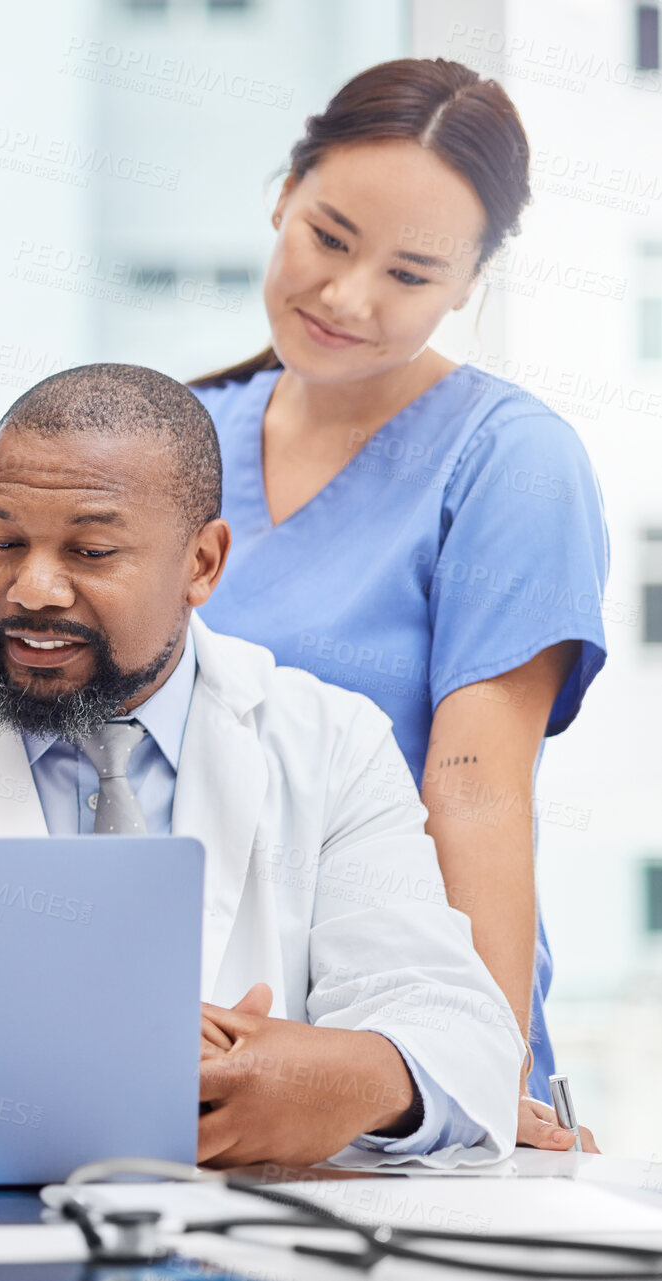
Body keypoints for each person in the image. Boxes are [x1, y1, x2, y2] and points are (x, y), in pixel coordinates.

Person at [0, 364, 530, 1168]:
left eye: (89, 550)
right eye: (1, 542)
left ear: (202, 563)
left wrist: (344, 1078)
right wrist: (92, 1044)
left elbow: (453, 1025)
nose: (33, 588)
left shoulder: (329, 741)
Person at [188, 59, 608, 1149]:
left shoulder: (507, 462)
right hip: (200, 1036)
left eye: (411, 274)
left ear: (468, 284)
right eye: (328, 238)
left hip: (400, 1045)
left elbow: (475, 788)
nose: (348, 298)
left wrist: (480, 1082)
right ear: (285, 192)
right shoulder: (172, 436)